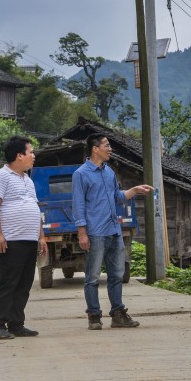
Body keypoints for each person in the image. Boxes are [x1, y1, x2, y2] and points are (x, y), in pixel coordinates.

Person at [73, 133, 153, 330]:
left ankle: (118, 314)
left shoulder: (109, 172)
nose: (110, 149)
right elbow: (78, 205)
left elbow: (116, 196)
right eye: (106, 145)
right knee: (92, 277)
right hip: (95, 232)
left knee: (117, 274)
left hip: (114, 230)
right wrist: (82, 232)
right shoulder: (81, 174)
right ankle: (93, 316)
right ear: (95, 148)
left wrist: (134, 190)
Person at [0, 136, 47, 341]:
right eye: (30, 152)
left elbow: (35, 208)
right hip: (11, 240)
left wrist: (41, 237)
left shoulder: (27, 180)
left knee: (24, 283)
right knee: (8, 282)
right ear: (19, 155)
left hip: (29, 239)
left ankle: (16, 324)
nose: (33, 156)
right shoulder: (1, 177)